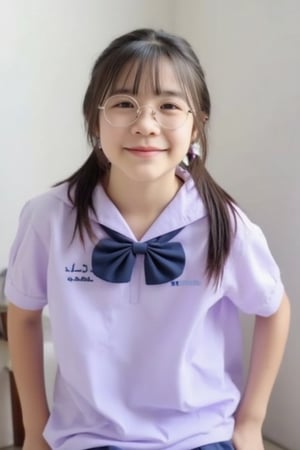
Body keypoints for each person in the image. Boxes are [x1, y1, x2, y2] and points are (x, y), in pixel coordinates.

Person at [5, 28, 290, 450]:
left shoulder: (225, 225)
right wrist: (34, 431)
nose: (145, 125)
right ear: (94, 118)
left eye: (169, 106)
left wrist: (250, 421)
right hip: (87, 439)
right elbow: (24, 314)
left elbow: (274, 308)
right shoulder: (48, 217)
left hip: (200, 437)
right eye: (123, 104)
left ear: (197, 124)